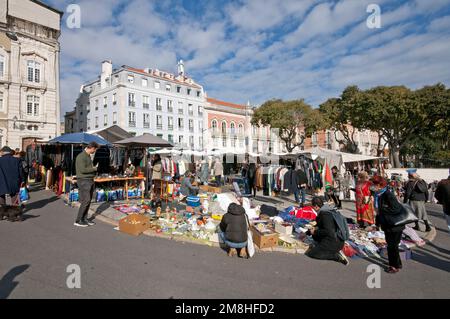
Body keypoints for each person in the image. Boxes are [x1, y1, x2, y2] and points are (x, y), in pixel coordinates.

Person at [372, 175, 405, 274]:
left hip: (394, 225)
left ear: (380, 185)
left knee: (392, 246)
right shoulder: (378, 195)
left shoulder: (388, 194)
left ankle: (394, 266)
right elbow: (378, 212)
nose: (373, 186)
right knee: (392, 246)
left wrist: (383, 210)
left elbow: (396, 209)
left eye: (375, 184)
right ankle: (397, 263)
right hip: (387, 224)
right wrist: (377, 224)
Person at [305, 197, 349, 265]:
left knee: (312, 253)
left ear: (316, 206)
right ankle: (330, 250)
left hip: (334, 242)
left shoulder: (325, 214)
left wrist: (315, 232)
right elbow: (319, 226)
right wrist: (307, 233)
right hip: (338, 240)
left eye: (313, 207)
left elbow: (328, 231)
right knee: (315, 236)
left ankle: (336, 256)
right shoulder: (328, 210)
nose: (313, 209)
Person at [74, 142, 99, 227]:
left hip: (89, 180)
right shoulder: (81, 156)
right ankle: (78, 220)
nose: (95, 151)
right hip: (84, 181)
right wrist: (94, 168)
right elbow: (83, 170)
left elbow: (85, 169)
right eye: (95, 149)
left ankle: (84, 219)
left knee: (88, 201)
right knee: (86, 200)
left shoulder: (87, 156)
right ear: (91, 148)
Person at [0, 146, 24, 221]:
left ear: (3, 152)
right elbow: (21, 172)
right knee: (14, 196)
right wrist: (22, 181)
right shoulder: (17, 160)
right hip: (14, 182)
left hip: (1, 181)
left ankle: (2, 214)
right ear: (10, 152)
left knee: (1, 196)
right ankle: (16, 213)